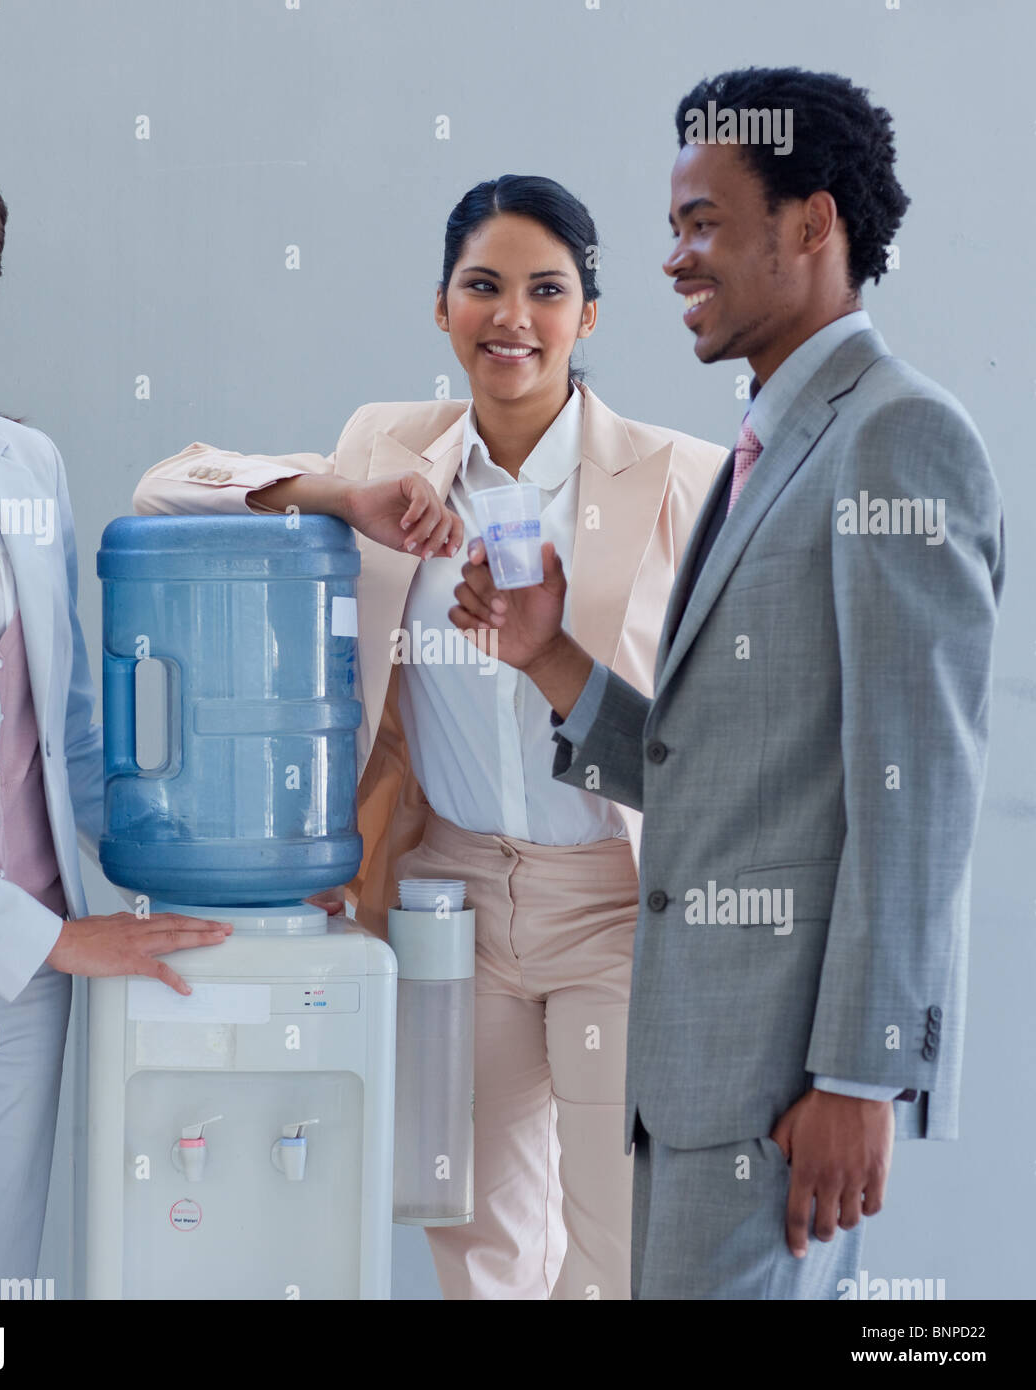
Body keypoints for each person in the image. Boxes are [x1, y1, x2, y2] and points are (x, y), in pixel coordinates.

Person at [451, 69, 1005, 1299]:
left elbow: (913, 792)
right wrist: (549, 651)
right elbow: (723, 764)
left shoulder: (895, 437)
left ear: (811, 225)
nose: (673, 260)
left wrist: (861, 1076)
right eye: (672, 229)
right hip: (695, 1081)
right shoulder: (770, 444)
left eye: (702, 224)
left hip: (779, 1094)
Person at [134, 174, 726, 1299]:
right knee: (474, 1241)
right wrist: (339, 495)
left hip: (613, 900)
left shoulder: (683, 478)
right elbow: (168, 486)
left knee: (620, 1253)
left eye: (546, 290)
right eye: (482, 286)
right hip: (445, 893)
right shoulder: (384, 446)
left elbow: (713, 730)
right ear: (443, 308)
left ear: (589, 315)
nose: (512, 317)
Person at [0, 140, 231, 1301]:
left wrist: (222, 873)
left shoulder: (28, 463)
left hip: (25, 986)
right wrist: (55, 937)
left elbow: (67, 728)